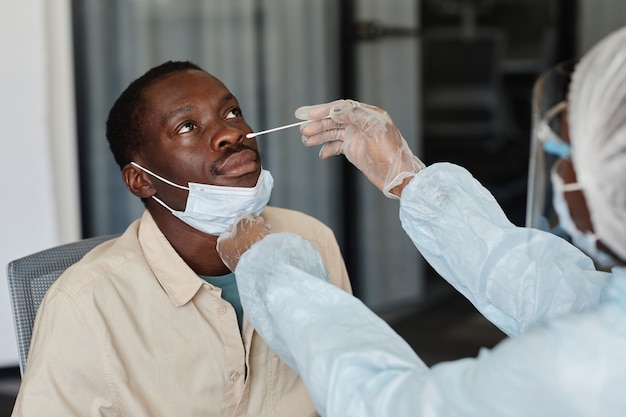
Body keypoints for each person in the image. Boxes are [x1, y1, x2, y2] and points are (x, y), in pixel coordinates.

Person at [216, 28, 626, 416]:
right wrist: (410, 180)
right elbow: (555, 292)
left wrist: (272, 274)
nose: (561, 172)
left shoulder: (589, 367)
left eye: (567, 151)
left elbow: (388, 405)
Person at [11, 61, 352, 417]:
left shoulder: (311, 240)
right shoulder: (85, 304)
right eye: (187, 126)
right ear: (140, 180)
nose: (232, 134)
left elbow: (350, 388)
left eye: (232, 112)